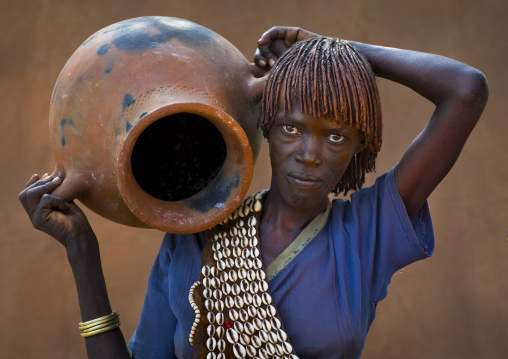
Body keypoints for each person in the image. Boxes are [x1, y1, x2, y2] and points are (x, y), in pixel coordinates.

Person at [19, 26, 488, 359]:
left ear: (359, 149)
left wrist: (329, 50)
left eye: (337, 137)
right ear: (266, 127)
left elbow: (465, 90)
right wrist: (82, 253)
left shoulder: (367, 233)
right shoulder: (194, 236)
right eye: (291, 128)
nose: (310, 154)